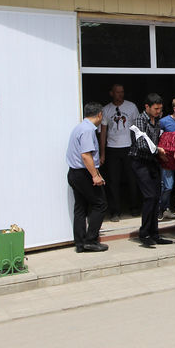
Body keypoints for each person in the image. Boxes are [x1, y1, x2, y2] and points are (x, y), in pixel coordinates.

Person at [129, 93, 173, 248]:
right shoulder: (139, 120)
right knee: (150, 196)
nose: (158, 111)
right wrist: (158, 151)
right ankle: (144, 233)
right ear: (146, 107)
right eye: (155, 109)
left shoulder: (158, 121)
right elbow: (141, 144)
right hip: (140, 162)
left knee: (156, 197)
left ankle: (155, 233)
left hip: (153, 163)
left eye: (160, 109)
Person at [66, 102, 108, 253]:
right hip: (83, 174)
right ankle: (90, 240)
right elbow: (86, 155)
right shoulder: (88, 130)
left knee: (80, 207)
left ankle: (80, 242)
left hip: (74, 173)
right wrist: (95, 176)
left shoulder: (79, 127)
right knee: (100, 204)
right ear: (99, 115)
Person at [99, 84, 139, 222]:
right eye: (117, 92)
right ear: (111, 93)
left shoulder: (131, 107)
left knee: (132, 179)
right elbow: (103, 132)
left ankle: (134, 207)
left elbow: (137, 128)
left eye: (122, 92)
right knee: (113, 181)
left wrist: (137, 147)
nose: (120, 94)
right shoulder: (106, 109)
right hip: (112, 148)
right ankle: (115, 211)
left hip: (128, 147)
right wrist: (102, 153)